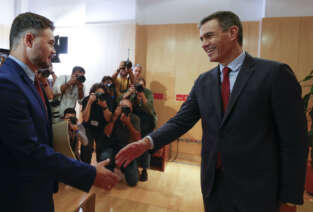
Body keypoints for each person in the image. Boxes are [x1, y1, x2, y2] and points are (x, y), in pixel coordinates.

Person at [115, 11, 308, 212]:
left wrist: (290, 199)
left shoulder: (274, 74)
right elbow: (179, 122)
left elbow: (294, 141)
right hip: (214, 187)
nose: (203, 44)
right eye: (201, 39)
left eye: (209, 36)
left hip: (257, 190)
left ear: (233, 32)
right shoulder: (203, 82)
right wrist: (146, 143)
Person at [0, 12, 118, 212]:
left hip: (33, 193)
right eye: (50, 43)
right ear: (29, 39)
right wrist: (88, 173)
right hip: (11, 200)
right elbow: (30, 151)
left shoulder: (30, 80)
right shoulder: (5, 85)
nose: (53, 51)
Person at [123, 78, 156, 181]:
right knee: (135, 146)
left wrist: (143, 96)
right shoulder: (132, 93)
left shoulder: (148, 93)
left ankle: (145, 170)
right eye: (138, 86)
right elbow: (122, 101)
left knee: (145, 147)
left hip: (147, 122)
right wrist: (129, 93)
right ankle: (135, 168)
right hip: (136, 123)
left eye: (141, 86)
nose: (139, 88)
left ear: (144, 86)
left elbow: (150, 108)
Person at [101, 99, 141, 186]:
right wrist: (114, 118)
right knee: (104, 157)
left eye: (127, 108)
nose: (124, 110)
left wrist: (128, 123)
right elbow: (107, 133)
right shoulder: (114, 116)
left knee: (133, 181)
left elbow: (138, 138)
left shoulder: (134, 118)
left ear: (131, 109)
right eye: (122, 107)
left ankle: (124, 169)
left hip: (128, 149)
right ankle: (113, 170)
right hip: (113, 147)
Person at [81, 83, 113, 164]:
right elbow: (85, 119)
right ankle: (85, 168)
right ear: (93, 93)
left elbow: (108, 119)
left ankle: (100, 168)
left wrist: (104, 106)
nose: (100, 96)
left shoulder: (107, 99)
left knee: (101, 149)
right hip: (88, 126)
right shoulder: (87, 99)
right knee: (87, 148)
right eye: (97, 94)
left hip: (101, 127)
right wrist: (89, 102)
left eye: (102, 94)